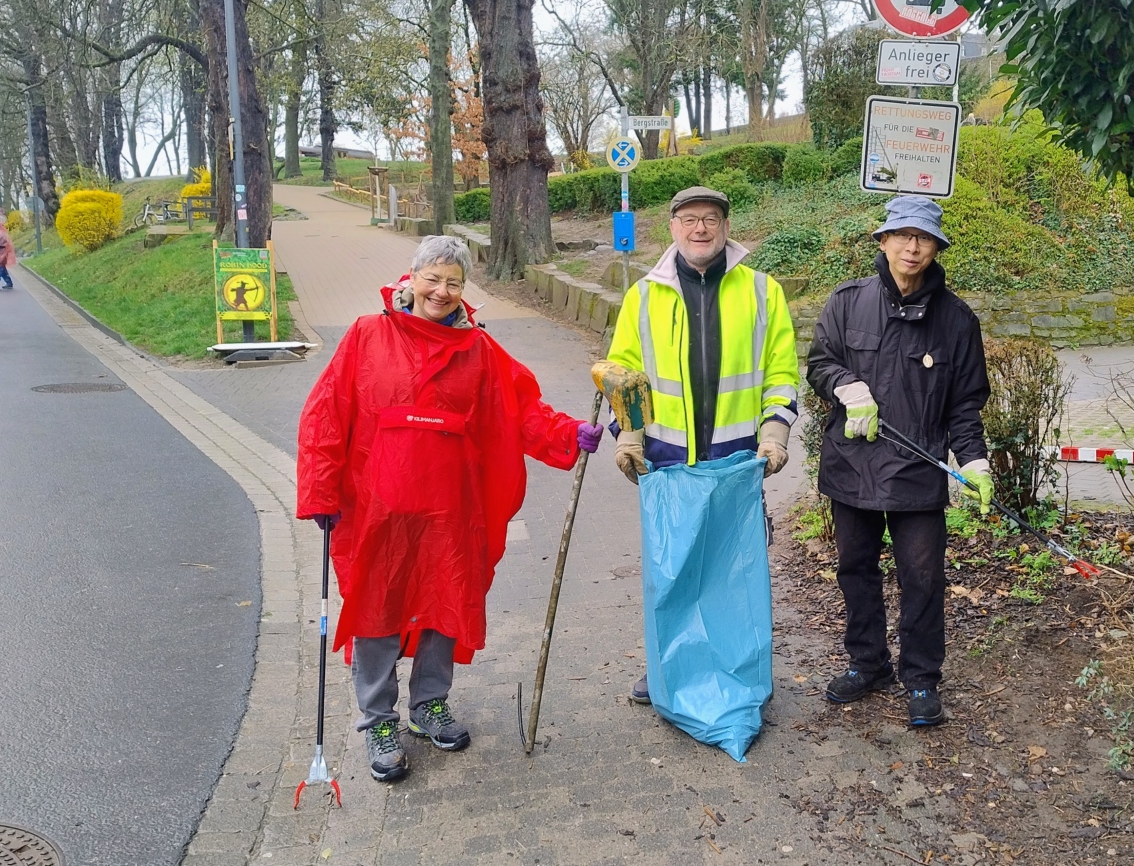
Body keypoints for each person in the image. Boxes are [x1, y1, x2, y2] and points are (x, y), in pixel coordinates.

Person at [296, 235, 603, 782]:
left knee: (445, 602)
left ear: (464, 290)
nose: (441, 291)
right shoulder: (368, 335)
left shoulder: (480, 351)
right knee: (376, 607)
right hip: (377, 510)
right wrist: (320, 491)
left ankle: (428, 705)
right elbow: (325, 414)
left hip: (449, 509)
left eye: (453, 282)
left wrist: (569, 433)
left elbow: (519, 409)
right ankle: (377, 720)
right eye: (432, 278)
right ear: (411, 278)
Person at [605, 185, 800, 704]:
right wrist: (628, 434)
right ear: (672, 228)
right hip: (667, 460)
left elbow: (782, 372)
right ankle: (668, 665)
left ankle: (731, 664)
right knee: (672, 570)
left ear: (726, 227)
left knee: (731, 568)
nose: (700, 228)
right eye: (689, 219)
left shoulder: (763, 291)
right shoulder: (643, 295)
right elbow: (623, 374)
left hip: (737, 457)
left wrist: (776, 432)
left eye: (710, 219)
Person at [805, 195, 993, 728]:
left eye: (924, 238)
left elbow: (964, 404)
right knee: (855, 570)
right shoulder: (846, 302)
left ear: (936, 248)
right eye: (903, 235)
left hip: (917, 473)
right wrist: (846, 386)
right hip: (852, 467)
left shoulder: (957, 321)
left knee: (922, 576)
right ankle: (868, 664)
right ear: (883, 241)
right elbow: (821, 362)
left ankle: (921, 679)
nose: (913, 247)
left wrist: (974, 462)